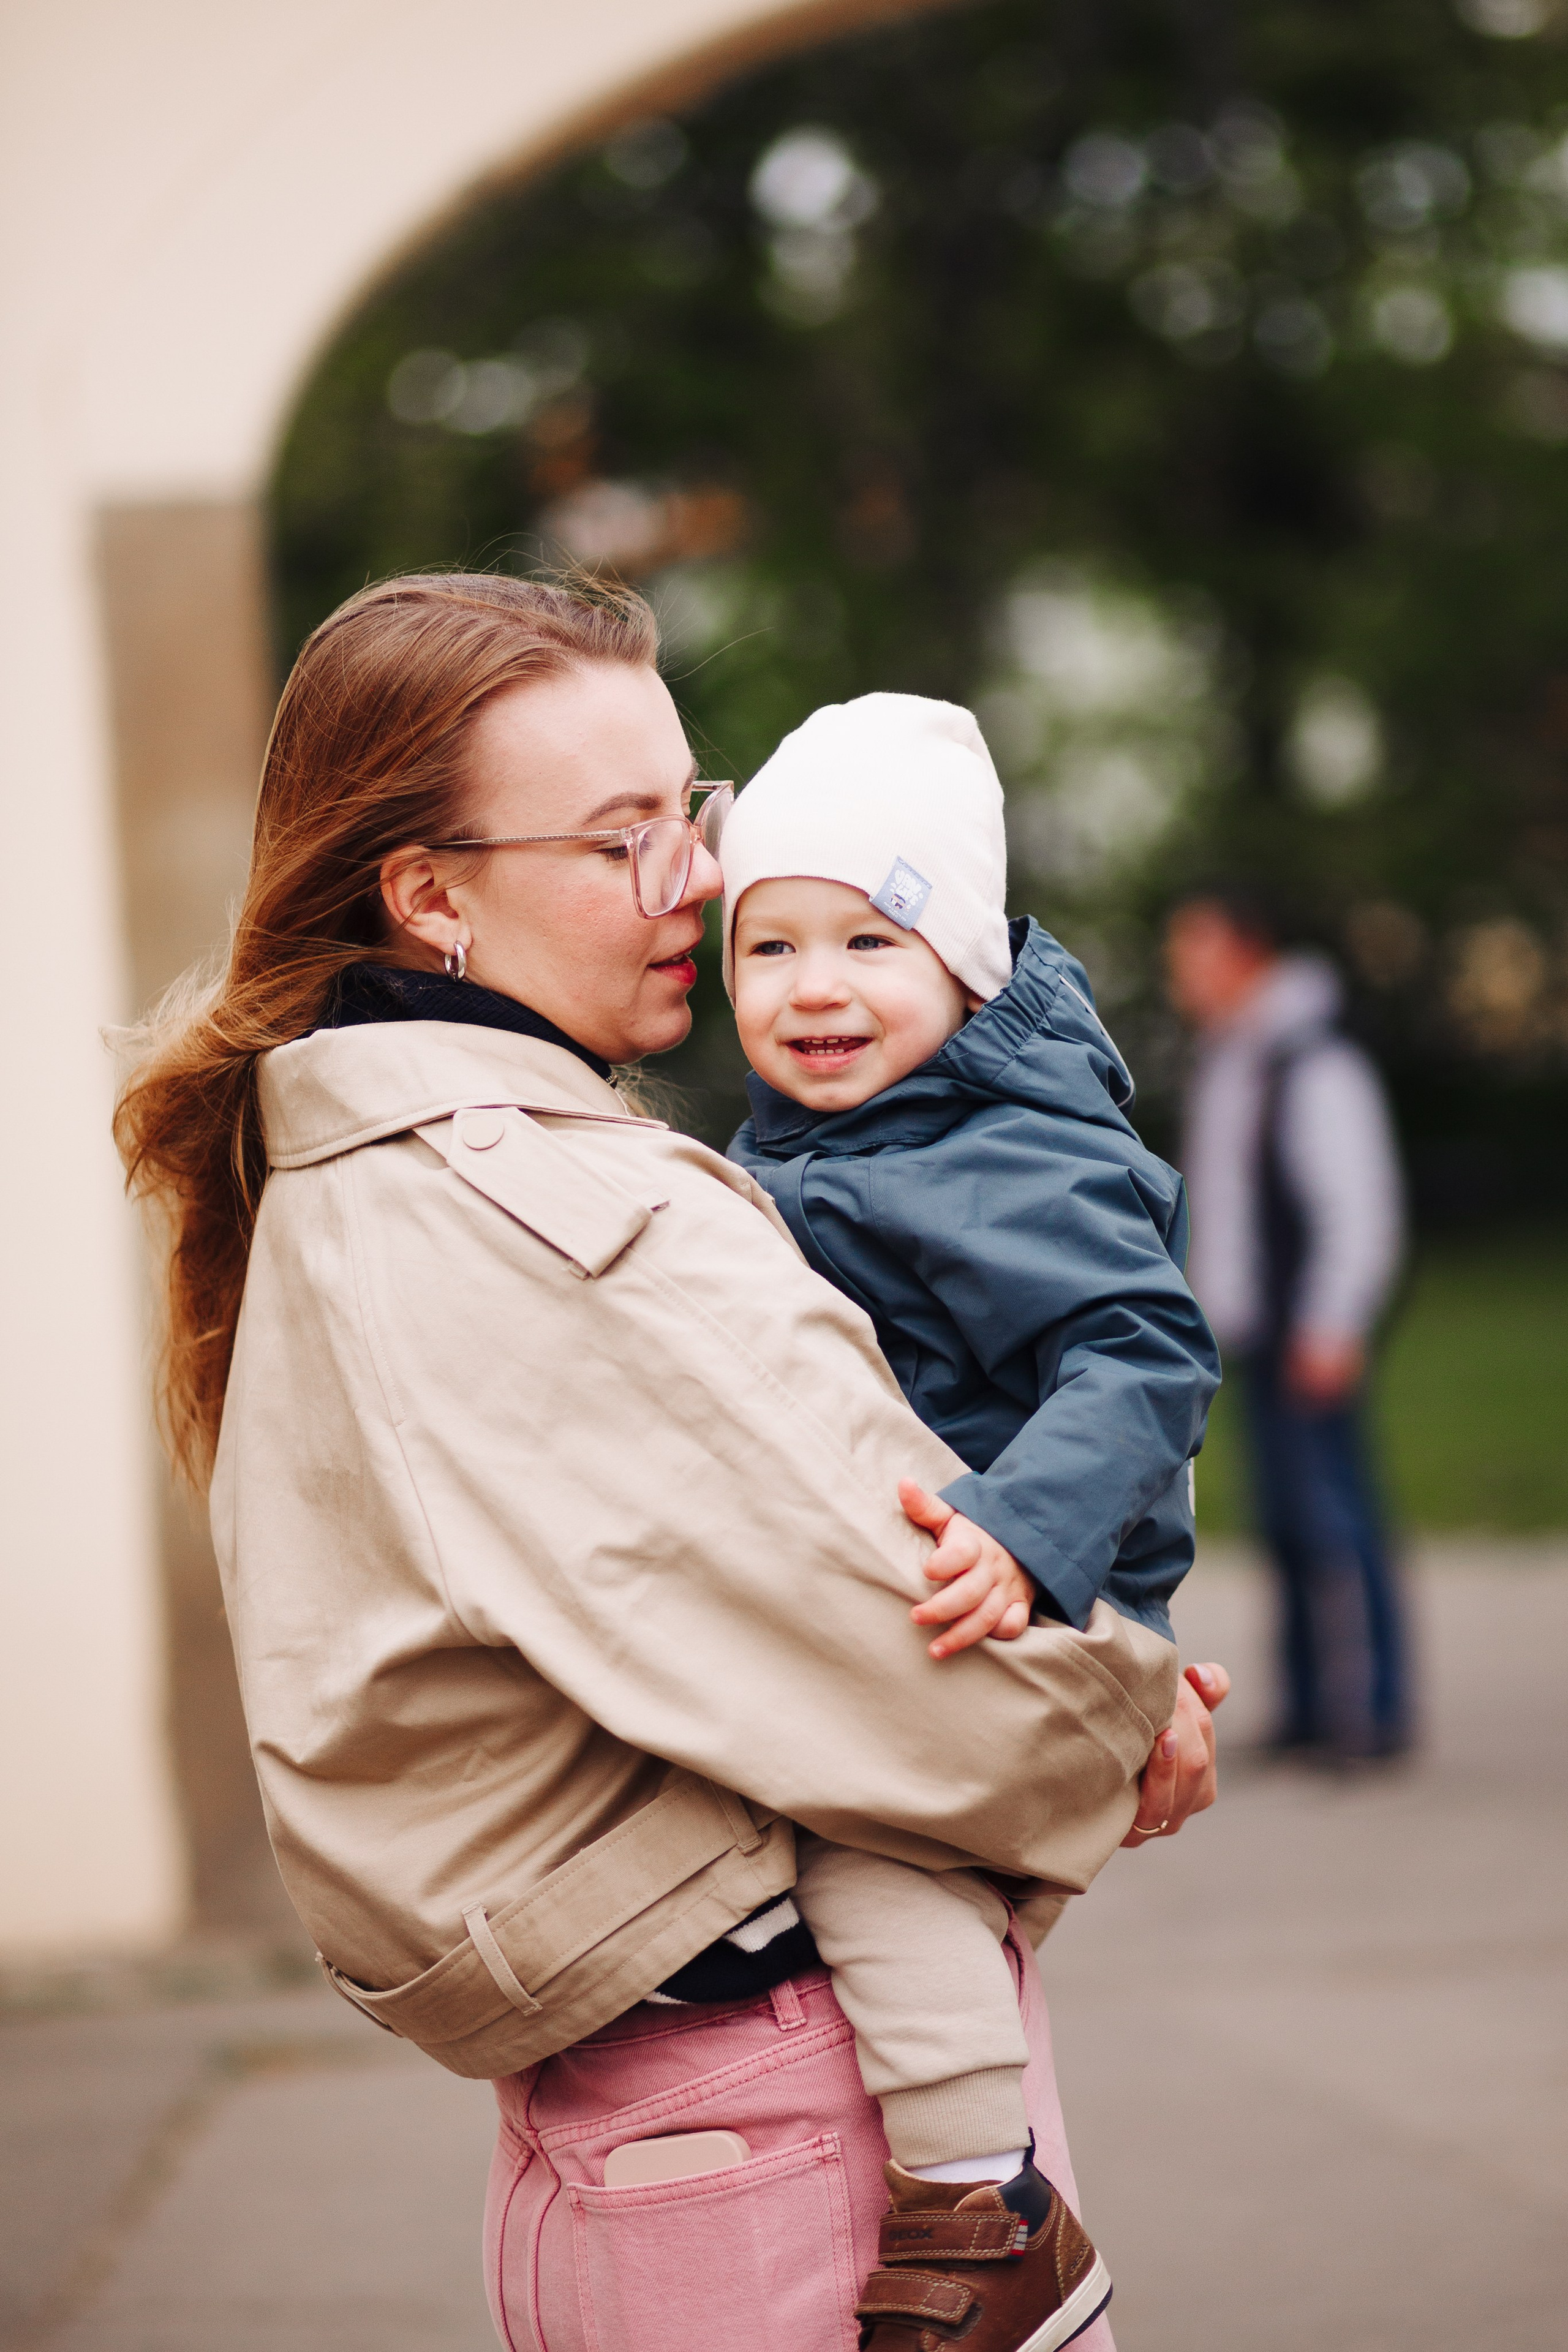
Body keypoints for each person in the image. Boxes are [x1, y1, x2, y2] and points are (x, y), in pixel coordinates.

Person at [115, 573, 1226, 2352]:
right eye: (625, 838)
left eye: (689, 815)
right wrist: (1129, 1701)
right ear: (432, 897)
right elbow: (920, 1665)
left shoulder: (350, 1151)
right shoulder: (566, 1212)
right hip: (794, 2147)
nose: (699, 884)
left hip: (643, 2138)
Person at [718, 693, 1222, 2352]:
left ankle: (981, 2202)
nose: (813, 989)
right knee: (902, 1869)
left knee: (878, 1853)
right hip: (983, 1601)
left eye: (869, 937)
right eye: (768, 947)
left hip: (1016, 1593)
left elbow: (1144, 1351)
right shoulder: (822, 1140)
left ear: (969, 966)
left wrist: (1034, 1539)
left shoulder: (996, 1150)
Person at [1164, 888, 1409, 1760]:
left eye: (1193, 951)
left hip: (1308, 1329)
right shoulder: (1236, 1056)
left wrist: (1333, 1320)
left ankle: (1375, 1709)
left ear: (1243, 950)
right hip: (1257, 1330)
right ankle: (1309, 1706)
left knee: (1339, 1517)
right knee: (1287, 1521)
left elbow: (1357, 1205)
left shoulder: (1312, 1062)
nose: (1180, 974)